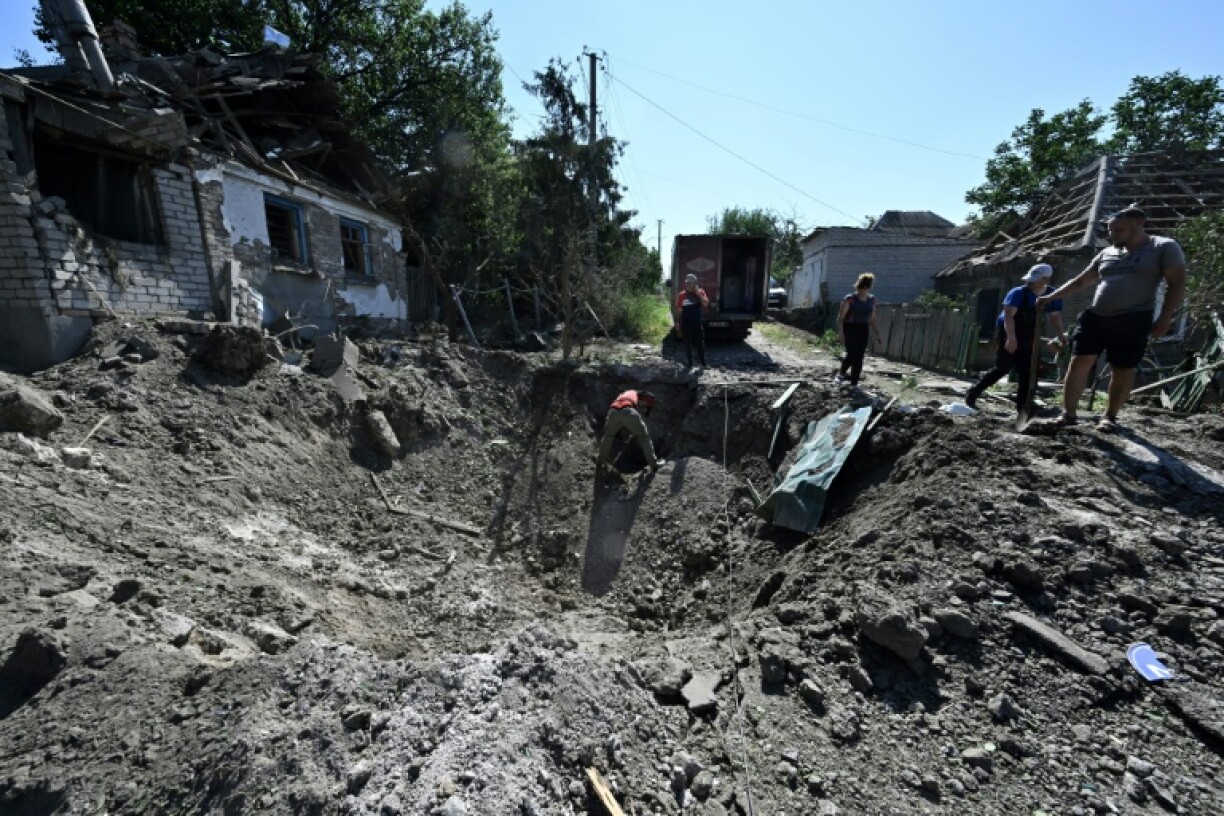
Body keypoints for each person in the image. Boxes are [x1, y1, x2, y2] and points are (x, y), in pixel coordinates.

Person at [1036, 208, 1186, 430]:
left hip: (1133, 318)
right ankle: (1067, 415)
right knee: (1078, 361)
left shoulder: (1163, 247)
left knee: (1122, 368)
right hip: (1096, 317)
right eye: (1110, 231)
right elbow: (1080, 281)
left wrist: (1164, 319)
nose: (1113, 235)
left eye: (1118, 230)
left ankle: (1109, 417)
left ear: (1138, 224)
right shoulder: (1107, 253)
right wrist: (1050, 297)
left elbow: (1177, 283)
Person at [964, 263, 1068, 410]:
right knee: (1003, 367)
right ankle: (974, 392)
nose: (1030, 282)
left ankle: (1023, 405)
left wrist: (1060, 335)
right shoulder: (1018, 293)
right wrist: (1011, 338)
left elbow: (1055, 316)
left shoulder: (1052, 294)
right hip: (1009, 330)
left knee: (1028, 371)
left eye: (1035, 279)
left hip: (1030, 334)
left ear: (1046, 279)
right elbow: (1008, 316)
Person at [596, 389, 662, 471]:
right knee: (644, 437)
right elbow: (651, 398)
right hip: (628, 411)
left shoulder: (625, 395)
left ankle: (600, 461)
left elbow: (621, 414)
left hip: (612, 412)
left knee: (608, 437)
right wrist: (648, 411)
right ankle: (654, 465)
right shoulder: (637, 393)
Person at [836, 273, 882, 386]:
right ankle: (841, 373)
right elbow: (841, 318)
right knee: (852, 353)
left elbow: (872, 319)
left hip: (863, 329)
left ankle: (854, 383)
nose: (863, 291)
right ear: (859, 286)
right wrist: (841, 333)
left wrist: (878, 334)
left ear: (868, 288)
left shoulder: (871, 300)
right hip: (849, 328)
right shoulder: (850, 299)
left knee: (860, 356)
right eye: (861, 288)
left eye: (866, 288)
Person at [674, 273, 709, 370]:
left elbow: (705, 303)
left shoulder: (701, 292)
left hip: (697, 322)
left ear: (695, 283)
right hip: (686, 322)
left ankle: (703, 363)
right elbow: (678, 310)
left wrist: (697, 294)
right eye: (687, 282)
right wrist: (677, 322)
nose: (688, 284)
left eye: (690, 283)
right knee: (687, 343)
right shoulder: (682, 295)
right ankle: (689, 363)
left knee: (700, 343)